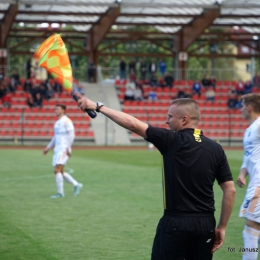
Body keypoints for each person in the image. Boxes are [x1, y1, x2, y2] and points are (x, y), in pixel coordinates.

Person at [75, 93, 236, 259]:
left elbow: (133, 124)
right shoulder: (216, 149)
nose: (166, 121)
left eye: (170, 117)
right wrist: (221, 227)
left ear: (184, 120)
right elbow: (230, 191)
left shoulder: (171, 140)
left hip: (175, 223)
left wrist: (98, 107)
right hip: (205, 225)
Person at [237, 93, 260, 260]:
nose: (241, 110)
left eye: (242, 106)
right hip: (254, 181)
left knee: (251, 225)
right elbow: (248, 155)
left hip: (259, 184)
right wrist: (242, 173)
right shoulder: (249, 130)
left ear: (249, 107)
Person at [43, 104, 83, 198]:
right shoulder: (57, 122)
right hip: (58, 149)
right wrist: (48, 147)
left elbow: (72, 135)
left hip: (64, 149)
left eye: (57, 109)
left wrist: (68, 148)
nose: (55, 110)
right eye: (55, 109)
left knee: (56, 170)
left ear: (63, 110)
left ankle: (60, 193)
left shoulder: (67, 121)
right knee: (60, 171)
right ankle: (76, 185)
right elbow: (55, 137)